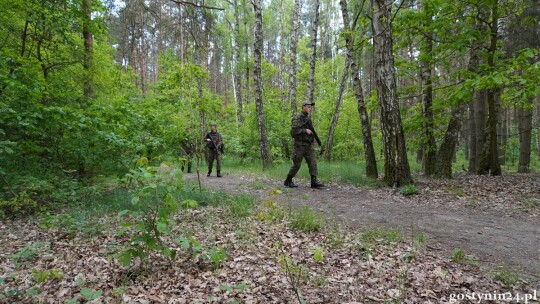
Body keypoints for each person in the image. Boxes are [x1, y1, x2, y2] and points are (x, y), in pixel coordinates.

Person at [284, 101, 325, 189]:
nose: (310, 108)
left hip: (308, 145)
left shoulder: (308, 119)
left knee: (312, 162)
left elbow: (311, 131)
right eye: (308, 107)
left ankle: (314, 181)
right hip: (299, 145)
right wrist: (304, 130)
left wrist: (313, 140)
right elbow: (293, 132)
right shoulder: (297, 118)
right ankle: (288, 180)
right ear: (303, 107)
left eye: (311, 107)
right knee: (297, 164)